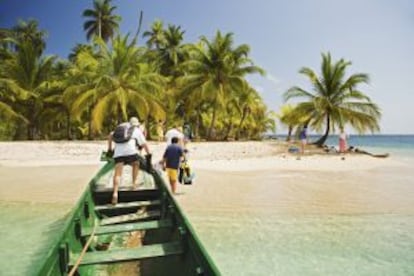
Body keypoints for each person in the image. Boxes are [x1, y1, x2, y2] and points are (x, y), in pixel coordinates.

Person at [107, 117, 150, 205]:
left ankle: (115, 193)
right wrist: (149, 153)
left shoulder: (120, 129)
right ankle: (133, 184)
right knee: (136, 164)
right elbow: (144, 144)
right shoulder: (136, 130)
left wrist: (110, 148)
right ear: (136, 124)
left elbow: (110, 135)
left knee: (118, 173)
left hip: (118, 153)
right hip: (131, 152)